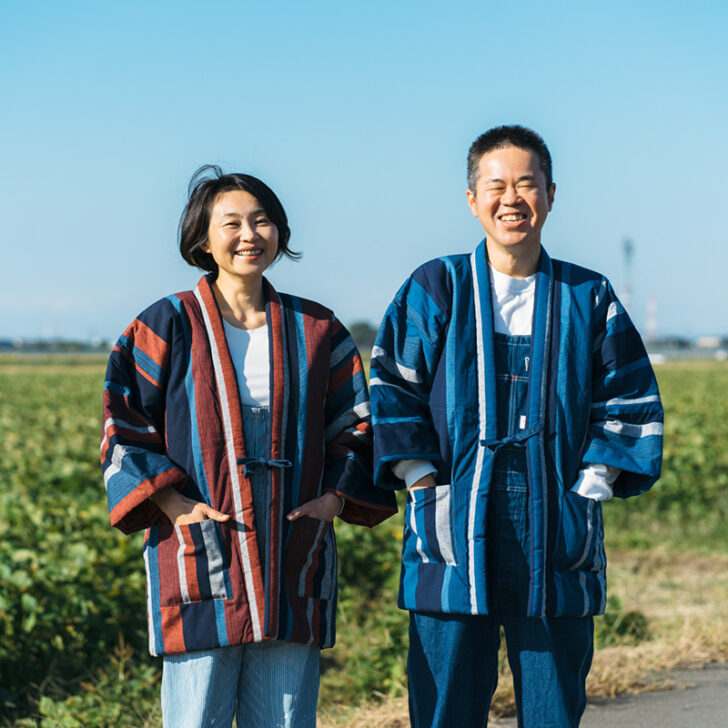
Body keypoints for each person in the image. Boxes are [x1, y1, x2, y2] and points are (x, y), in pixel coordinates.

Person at [370, 125, 663, 727]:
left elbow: (627, 397)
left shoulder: (589, 295)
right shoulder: (436, 285)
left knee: (554, 703)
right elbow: (392, 389)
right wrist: (422, 479)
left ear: (551, 195)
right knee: (445, 702)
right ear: (472, 199)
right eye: (496, 185)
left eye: (527, 184)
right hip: (454, 511)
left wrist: (591, 485)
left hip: (555, 516)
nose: (512, 199)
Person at [100, 165, 396, 728]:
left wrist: (334, 500)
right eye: (231, 222)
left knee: (286, 717)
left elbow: (357, 425)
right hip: (200, 554)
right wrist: (173, 505)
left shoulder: (318, 331)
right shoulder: (165, 324)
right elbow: (123, 422)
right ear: (202, 239)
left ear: (279, 232)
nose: (249, 235)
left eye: (262, 221)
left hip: (292, 551)